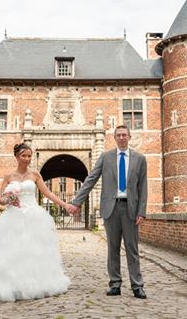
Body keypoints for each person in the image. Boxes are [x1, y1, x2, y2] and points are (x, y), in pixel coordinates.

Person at [0, 143, 71, 301]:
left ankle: (35, 284)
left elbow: (48, 192)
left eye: (29, 156)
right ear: (16, 157)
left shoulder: (35, 175)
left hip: (33, 216)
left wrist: (64, 204)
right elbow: (1, 200)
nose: (27, 159)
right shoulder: (8, 177)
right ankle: (12, 285)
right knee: (12, 252)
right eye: (24, 156)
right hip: (13, 217)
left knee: (34, 251)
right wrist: (10, 198)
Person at [68, 125, 148, 299]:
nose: (121, 138)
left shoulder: (139, 159)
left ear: (129, 137)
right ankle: (115, 284)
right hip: (110, 209)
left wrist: (141, 211)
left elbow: (143, 188)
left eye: (124, 135)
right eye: (118, 135)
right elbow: (91, 179)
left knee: (132, 248)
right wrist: (76, 202)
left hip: (130, 209)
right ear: (114, 137)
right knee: (112, 249)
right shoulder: (105, 157)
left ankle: (137, 285)